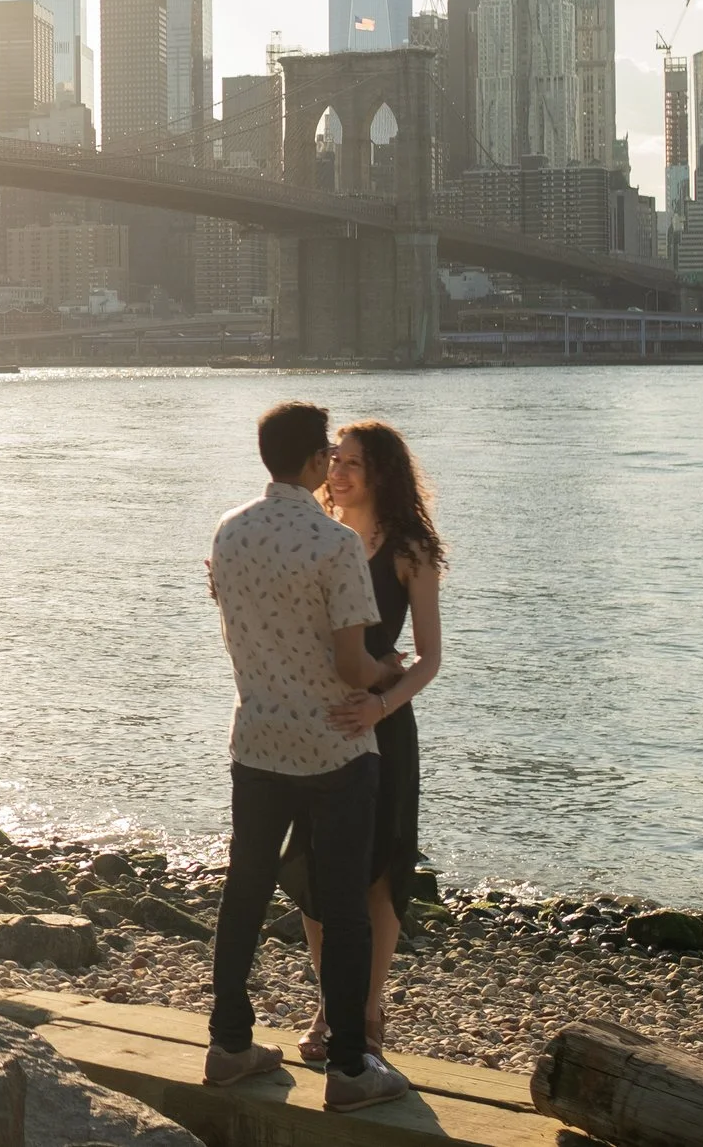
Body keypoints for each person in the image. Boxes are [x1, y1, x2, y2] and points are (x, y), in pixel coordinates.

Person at [203, 400, 412, 1112]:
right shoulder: (334, 543)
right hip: (334, 748)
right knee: (346, 905)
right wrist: (392, 675)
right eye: (327, 451)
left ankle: (229, 1043)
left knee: (246, 887)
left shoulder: (229, 533)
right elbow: (353, 665)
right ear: (314, 461)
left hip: (258, 740)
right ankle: (351, 1067)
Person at [284, 420, 446, 1062]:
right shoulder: (315, 535)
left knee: (379, 873)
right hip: (318, 721)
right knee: (316, 873)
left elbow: (429, 658)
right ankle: (330, 1003)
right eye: (334, 460)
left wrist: (380, 705)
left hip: (384, 724)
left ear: (382, 472)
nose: (339, 472)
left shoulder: (410, 550)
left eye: (353, 463)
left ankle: (367, 1009)